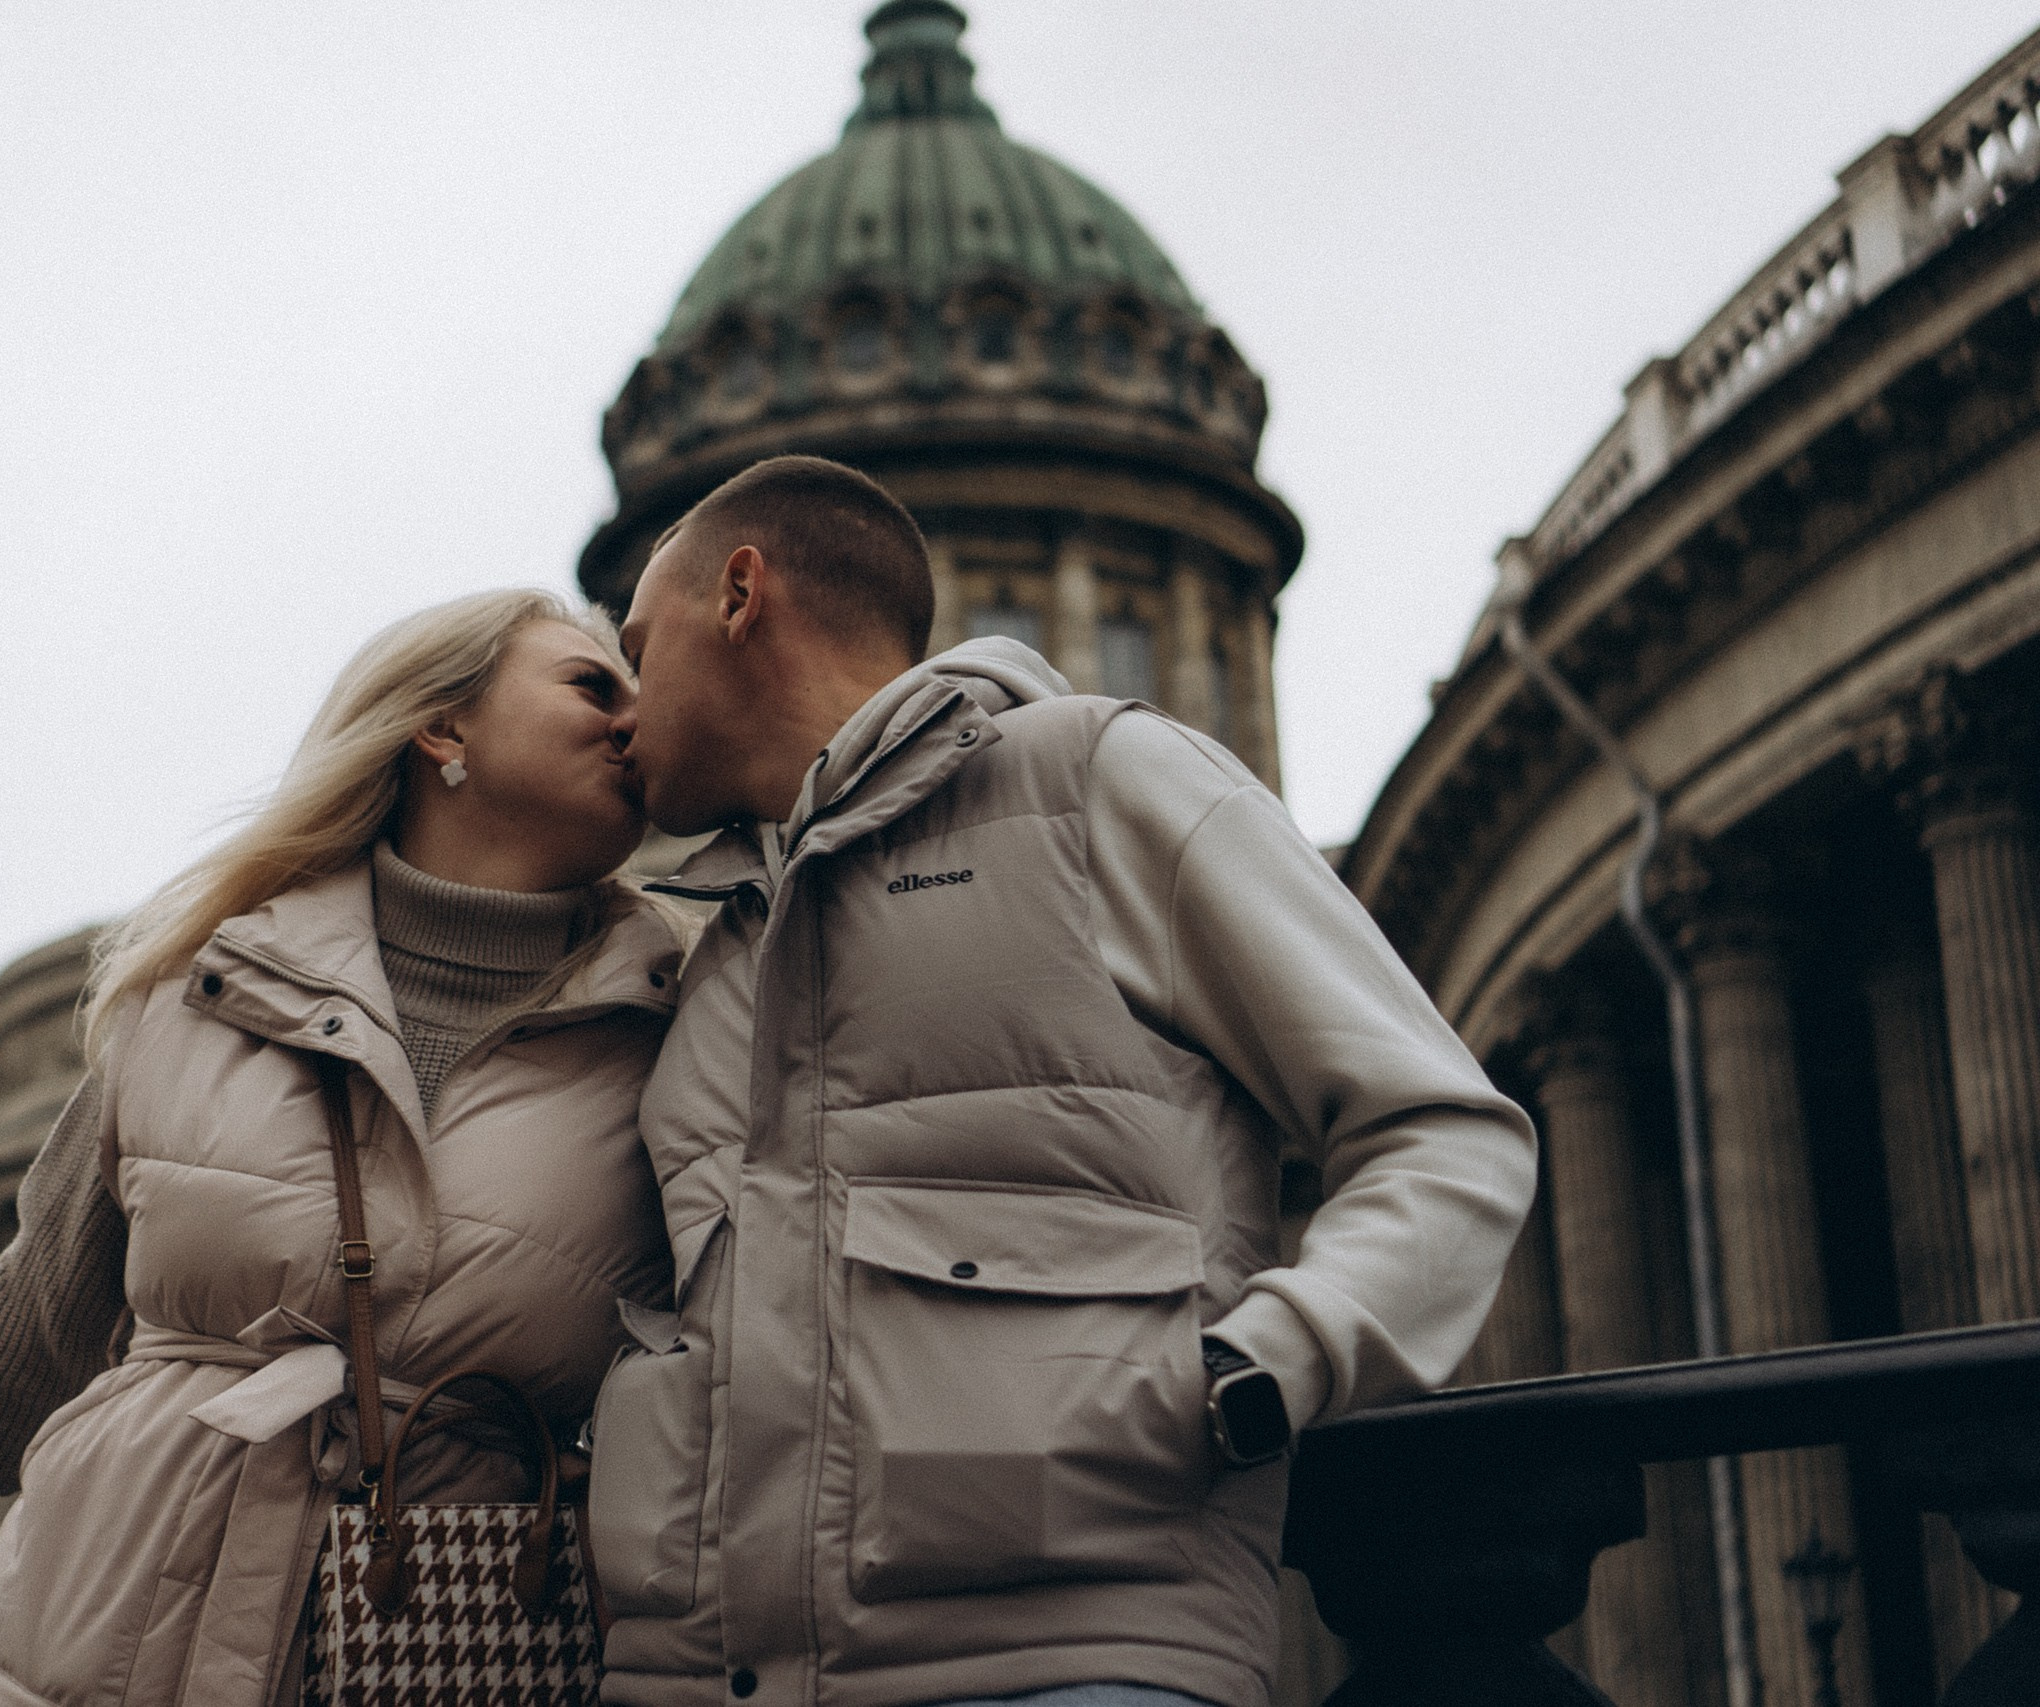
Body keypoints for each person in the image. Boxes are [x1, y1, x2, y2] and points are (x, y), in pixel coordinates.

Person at [587, 455, 1538, 1707]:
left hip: (1069, 1661)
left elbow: (1444, 1131)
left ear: (740, 595)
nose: (621, 706)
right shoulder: (708, 954)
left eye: (636, 649)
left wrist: (1260, 1370)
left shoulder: (1098, 782)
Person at [0, 588, 684, 1707]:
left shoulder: (684, 1024)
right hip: (108, 1623)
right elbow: (41, 1307)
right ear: (441, 727)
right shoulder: (206, 985)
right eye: (593, 685)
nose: (637, 719)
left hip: (444, 1639)